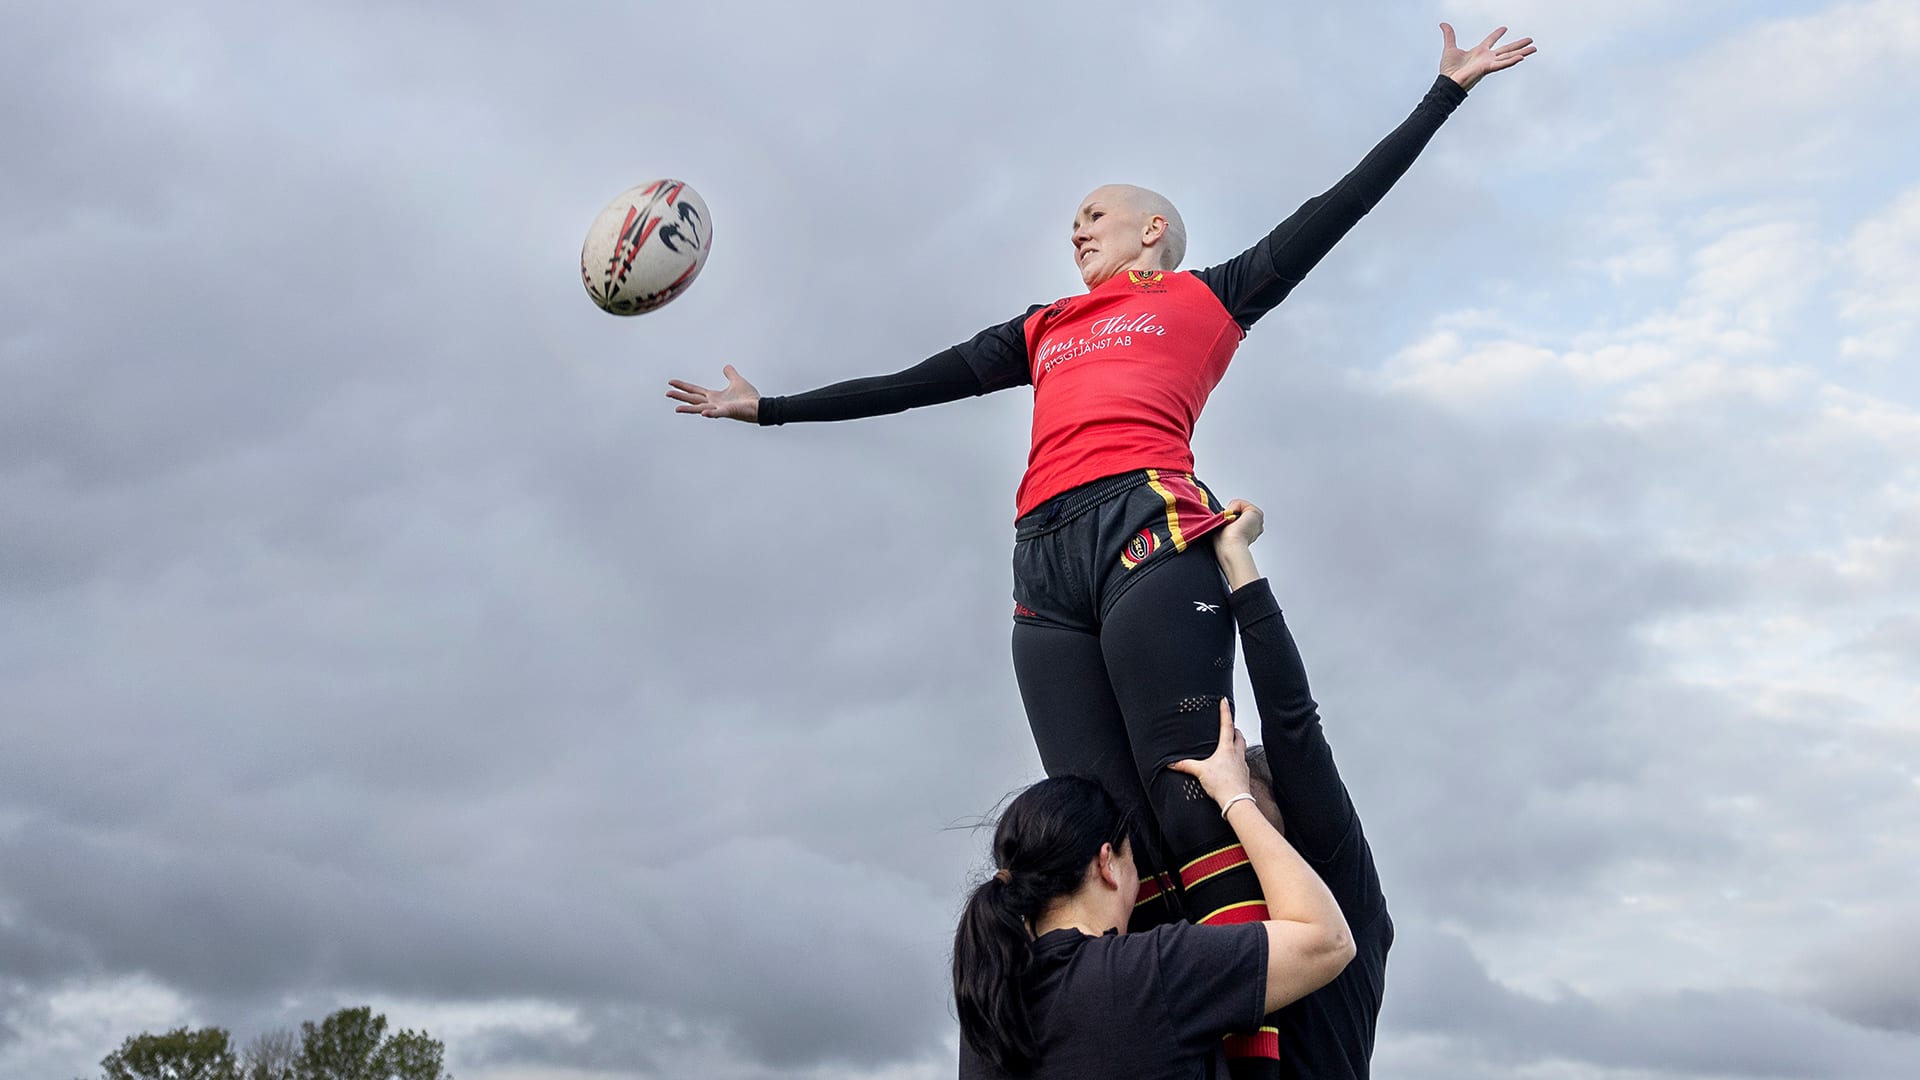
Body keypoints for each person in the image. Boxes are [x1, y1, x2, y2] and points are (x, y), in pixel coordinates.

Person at [673, 23, 1531, 1076]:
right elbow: (915, 380)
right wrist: (769, 410)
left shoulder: (1208, 296)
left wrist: (1443, 95)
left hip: (1147, 529)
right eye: (1071, 219)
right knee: (1102, 835)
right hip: (1042, 565)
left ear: (1152, 233)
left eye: (1094, 215)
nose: (1075, 230)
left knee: (1187, 789)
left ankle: (1246, 1056)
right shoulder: (1044, 329)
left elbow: (1336, 212)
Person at [952, 711, 1353, 1079]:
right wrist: (1236, 797)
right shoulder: (1147, 973)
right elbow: (1329, 941)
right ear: (1106, 863)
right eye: (1134, 863)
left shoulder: (988, 1011)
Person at [1215, 500, 1393, 1080]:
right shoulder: (1225, 907)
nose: (1231, 817)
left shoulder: (1340, 883)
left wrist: (1237, 556)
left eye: (1243, 798)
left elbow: (1293, 724)